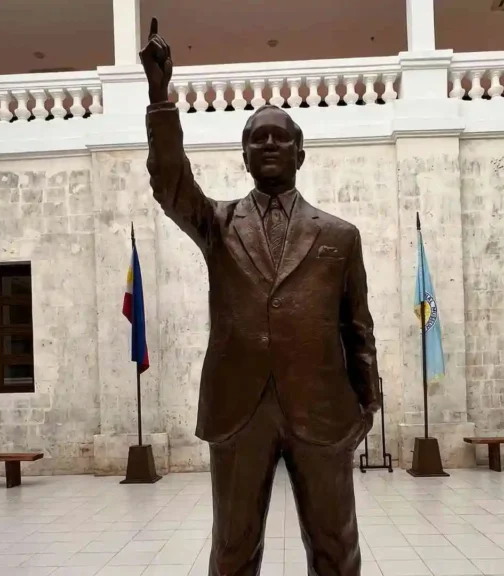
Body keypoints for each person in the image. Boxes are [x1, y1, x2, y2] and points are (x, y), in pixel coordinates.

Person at [141, 20, 381, 576]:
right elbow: (171, 184)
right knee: (232, 546)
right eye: (257, 138)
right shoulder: (217, 225)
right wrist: (160, 99)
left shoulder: (339, 236)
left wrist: (370, 400)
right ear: (244, 156)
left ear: (301, 153)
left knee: (335, 545)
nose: (269, 144)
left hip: (322, 409)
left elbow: (357, 326)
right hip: (238, 410)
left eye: (280, 137)